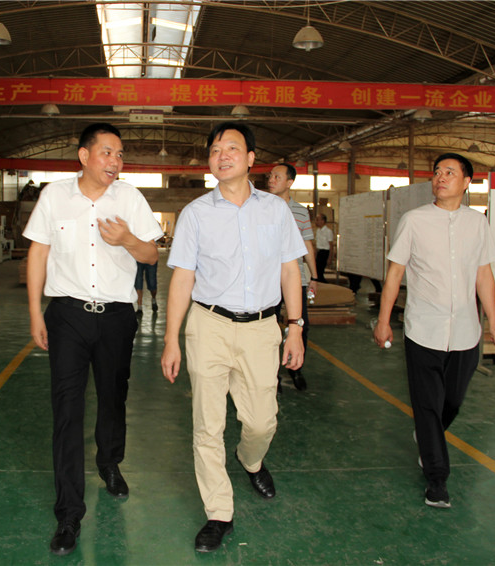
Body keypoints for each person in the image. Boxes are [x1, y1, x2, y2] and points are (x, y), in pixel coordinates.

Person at [161, 122, 305, 553]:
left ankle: (250, 459)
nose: (222, 156)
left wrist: (295, 327)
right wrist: (171, 338)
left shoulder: (275, 211)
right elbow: (182, 279)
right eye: (215, 150)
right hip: (209, 326)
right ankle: (218, 513)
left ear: (251, 159)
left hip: (262, 328)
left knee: (262, 420)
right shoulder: (195, 214)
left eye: (232, 148)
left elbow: (290, 271)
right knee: (208, 424)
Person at [23, 123, 163, 556]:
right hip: (67, 315)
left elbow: (152, 254)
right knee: (67, 409)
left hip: (117, 317)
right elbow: (38, 252)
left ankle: (110, 463)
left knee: (112, 397)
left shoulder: (130, 198)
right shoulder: (54, 197)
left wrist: (128, 239)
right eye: (107, 153)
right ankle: (68, 513)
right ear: (84, 156)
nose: (115, 162)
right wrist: (35, 313)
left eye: (120, 155)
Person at [373, 152, 495, 509]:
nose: (440, 177)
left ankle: (428, 435)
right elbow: (395, 273)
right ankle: (437, 479)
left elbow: (483, 274)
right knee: (427, 405)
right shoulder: (414, 221)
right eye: (436, 172)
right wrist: (383, 321)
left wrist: (493, 321)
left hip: (465, 330)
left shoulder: (477, 223)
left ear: (467, 182)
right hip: (423, 330)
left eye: (449, 172)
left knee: (452, 402)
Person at [266, 163, 318, 391]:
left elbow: (307, 244)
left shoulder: (300, 211)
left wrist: (314, 276)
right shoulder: (261, 207)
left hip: (296, 278)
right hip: (268, 279)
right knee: (269, 326)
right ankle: (272, 372)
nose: (271, 180)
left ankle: (295, 368)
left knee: (301, 324)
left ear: (289, 182)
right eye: (270, 176)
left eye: (277, 176)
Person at [314, 213, 334, 282]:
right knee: (317, 271)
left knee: (320, 272)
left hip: (325, 252)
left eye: (317, 220)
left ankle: (325, 284)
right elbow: (317, 244)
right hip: (319, 252)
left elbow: (331, 245)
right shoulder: (318, 231)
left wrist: (330, 258)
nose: (316, 221)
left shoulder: (328, 231)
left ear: (322, 221)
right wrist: (315, 254)